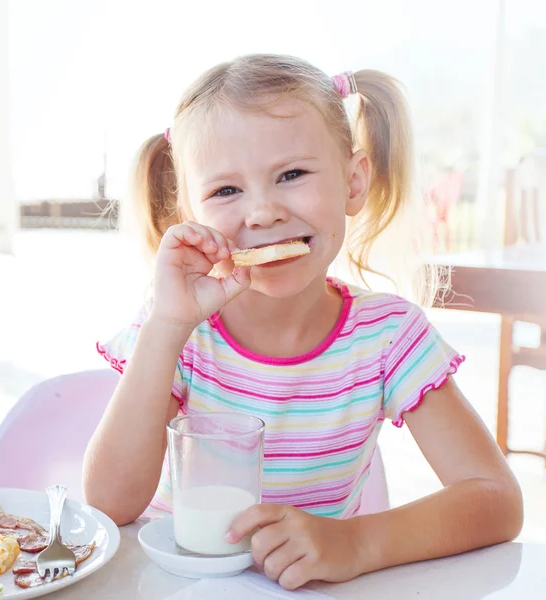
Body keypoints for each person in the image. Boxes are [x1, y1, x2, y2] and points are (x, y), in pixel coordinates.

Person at [83, 54, 522, 590]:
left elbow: (495, 499)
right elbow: (109, 504)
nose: (263, 212)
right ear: (189, 215)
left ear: (353, 182)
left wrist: (357, 542)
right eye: (226, 191)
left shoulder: (386, 337)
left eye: (291, 174)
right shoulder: (179, 330)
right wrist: (167, 328)